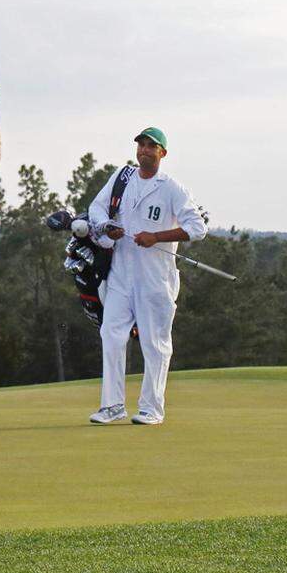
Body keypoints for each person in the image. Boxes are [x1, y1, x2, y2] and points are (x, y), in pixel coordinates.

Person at [87, 128, 207, 425]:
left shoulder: (172, 188)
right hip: (120, 273)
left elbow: (197, 227)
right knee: (111, 335)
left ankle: (152, 408)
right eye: (140, 144)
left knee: (154, 343)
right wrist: (106, 227)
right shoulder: (122, 177)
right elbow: (97, 208)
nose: (144, 150)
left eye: (151, 146)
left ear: (162, 153)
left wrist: (157, 236)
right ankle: (112, 405)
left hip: (155, 279)